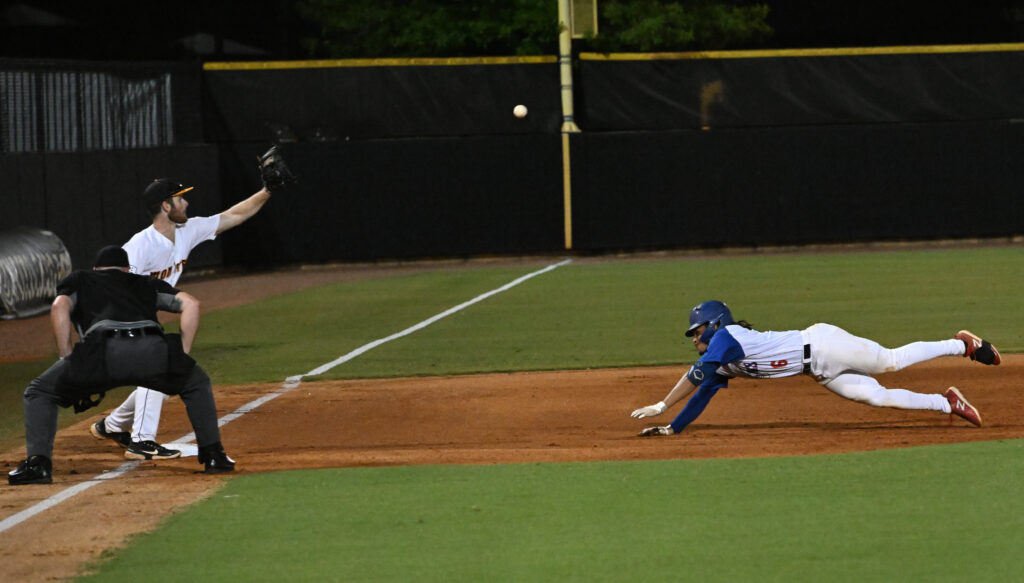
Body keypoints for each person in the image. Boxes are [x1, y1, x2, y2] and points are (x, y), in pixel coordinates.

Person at [8, 246, 235, 485]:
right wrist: (181, 355)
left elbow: (59, 307)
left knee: (40, 391)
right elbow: (191, 304)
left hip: (101, 354)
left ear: (97, 269)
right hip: (152, 351)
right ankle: (214, 456)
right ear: (127, 269)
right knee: (196, 382)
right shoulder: (145, 282)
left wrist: (67, 357)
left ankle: (38, 465)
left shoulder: (82, 279)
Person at [90, 178, 270, 460]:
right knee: (159, 362)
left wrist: (266, 191)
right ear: (165, 206)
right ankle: (141, 440)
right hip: (114, 317)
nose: (186, 202)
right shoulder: (141, 245)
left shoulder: (187, 230)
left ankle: (112, 426)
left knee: (165, 370)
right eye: (179, 198)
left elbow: (233, 216)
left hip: (137, 316)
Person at [631, 300, 1000, 436]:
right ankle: (947, 403)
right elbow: (703, 392)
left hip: (825, 344)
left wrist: (662, 405)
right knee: (878, 397)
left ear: (713, 325)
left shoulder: (727, 337)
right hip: (819, 370)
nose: (694, 339)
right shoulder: (722, 361)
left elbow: (695, 375)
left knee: (890, 360)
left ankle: (962, 345)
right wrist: (673, 428)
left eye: (696, 332)